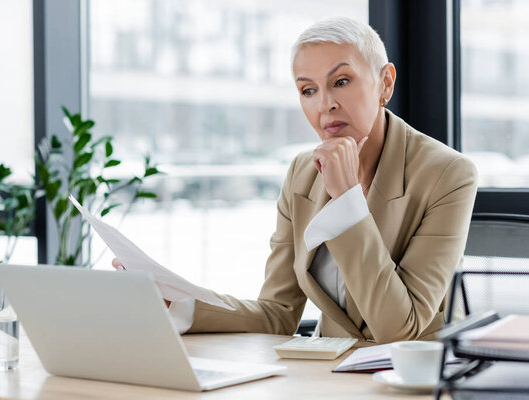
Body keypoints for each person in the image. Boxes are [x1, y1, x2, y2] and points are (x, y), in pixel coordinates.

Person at [113, 17, 477, 344]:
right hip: (325, 376)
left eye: (342, 81)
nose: (325, 104)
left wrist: (348, 199)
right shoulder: (303, 173)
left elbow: (401, 329)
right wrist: (177, 300)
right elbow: (277, 313)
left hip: (414, 381)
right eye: (308, 90)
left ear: (385, 83)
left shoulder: (448, 174)